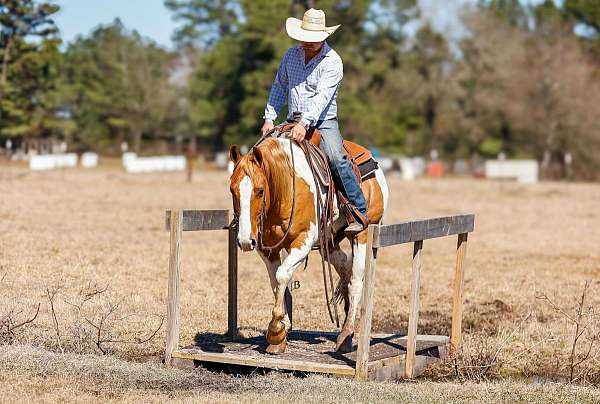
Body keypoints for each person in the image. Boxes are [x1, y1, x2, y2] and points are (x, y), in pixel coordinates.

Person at [260, 8, 368, 233]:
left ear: (324, 37)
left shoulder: (333, 62)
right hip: (292, 119)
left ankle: (358, 209)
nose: (308, 43)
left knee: (336, 158)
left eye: (313, 39)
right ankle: (258, 212)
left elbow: (321, 98)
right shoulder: (291, 55)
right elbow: (280, 86)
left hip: (322, 122)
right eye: (305, 38)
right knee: (261, 155)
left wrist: (304, 124)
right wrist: (270, 118)